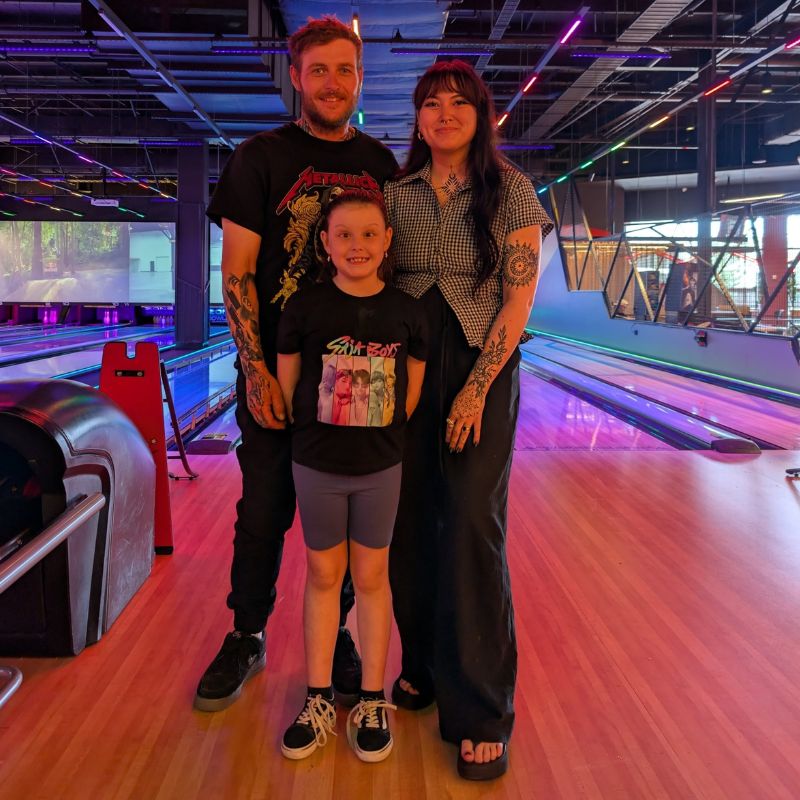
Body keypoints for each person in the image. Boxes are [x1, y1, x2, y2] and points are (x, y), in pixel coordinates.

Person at [195, 16, 397, 713]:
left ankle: (336, 634)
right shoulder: (260, 159)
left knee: (337, 523)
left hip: (355, 380)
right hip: (279, 376)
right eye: (319, 70)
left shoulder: (380, 164)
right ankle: (246, 633)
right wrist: (254, 373)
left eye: (345, 70)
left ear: (359, 78)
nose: (333, 83)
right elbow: (240, 273)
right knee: (263, 512)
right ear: (298, 77)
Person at [384, 60, 554, 781]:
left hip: (480, 362)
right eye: (431, 103)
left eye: (460, 103)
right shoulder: (393, 195)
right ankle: (420, 665)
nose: (445, 113)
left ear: (483, 116)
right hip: (406, 363)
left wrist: (476, 388)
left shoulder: (510, 191)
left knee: (473, 521)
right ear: (418, 117)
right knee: (409, 520)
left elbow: (516, 304)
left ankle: (482, 708)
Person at [276, 189, 427, 761]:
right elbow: (289, 388)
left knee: (371, 577)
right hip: (316, 464)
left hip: (380, 467)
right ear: (325, 244)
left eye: (369, 234)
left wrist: (378, 430)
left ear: (388, 241)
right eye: (344, 234)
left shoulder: (407, 310)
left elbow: (411, 390)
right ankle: (317, 697)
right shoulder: (305, 308)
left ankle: (370, 697)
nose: (357, 245)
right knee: (321, 574)